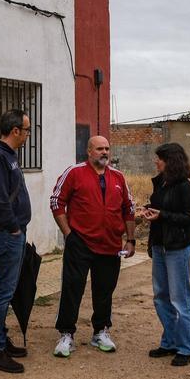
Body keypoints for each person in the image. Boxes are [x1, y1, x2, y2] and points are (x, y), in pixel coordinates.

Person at [49, 135, 136, 358]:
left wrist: (131, 239)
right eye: (99, 149)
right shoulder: (74, 172)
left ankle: (100, 332)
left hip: (110, 245)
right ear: (89, 151)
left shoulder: (118, 177)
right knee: (72, 287)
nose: (104, 152)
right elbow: (57, 201)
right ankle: (66, 334)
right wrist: (69, 235)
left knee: (105, 290)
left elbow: (129, 208)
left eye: (107, 148)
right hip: (80, 243)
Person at [0, 109, 33, 373]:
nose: (27, 135)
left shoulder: (7, 155)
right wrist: (12, 227)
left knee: (7, 291)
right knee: (2, 292)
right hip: (8, 234)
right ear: (15, 131)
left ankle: (1, 339)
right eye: (26, 130)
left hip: (16, 232)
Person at [137, 142, 190, 367]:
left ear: (170, 161)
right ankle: (170, 341)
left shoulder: (185, 187)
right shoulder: (160, 184)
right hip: (160, 247)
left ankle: (186, 348)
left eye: (159, 158)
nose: (156, 161)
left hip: (177, 248)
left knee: (180, 299)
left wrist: (162, 215)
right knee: (161, 297)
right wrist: (149, 209)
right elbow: (162, 210)